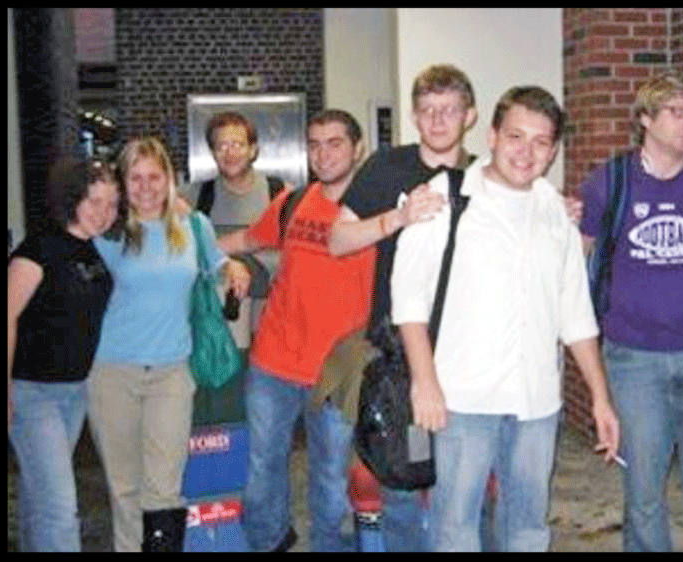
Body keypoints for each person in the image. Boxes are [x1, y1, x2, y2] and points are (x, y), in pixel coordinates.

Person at [390, 85, 620, 552]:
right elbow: (408, 299)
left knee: (529, 525)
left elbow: (575, 313)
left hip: (536, 400)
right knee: (456, 526)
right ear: (492, 136)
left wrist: (600, 398)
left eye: (541, 141)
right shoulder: (445, 198)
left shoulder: (556, 212)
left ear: (554, 150)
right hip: (463, 397)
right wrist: (425, 382)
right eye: (516, 136)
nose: (527, 152)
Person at [579, 72, 683, 552]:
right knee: (644, 495)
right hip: (631, 360)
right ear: (645, 118)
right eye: (676, 112)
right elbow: (584, 251)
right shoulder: (612, 179)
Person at [328, 63, 479, 552]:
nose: (438, 121)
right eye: (428, 111)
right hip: (399, 356)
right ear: (414, 116)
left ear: (469, 116)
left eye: (449, 111)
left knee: (463, 484)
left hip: (466, 351)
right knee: (403, 478)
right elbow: (337, 239)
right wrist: (398, 216)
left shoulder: (484, 177)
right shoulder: (387, 167)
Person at [218, 109, 375, 552]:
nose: (322, 154)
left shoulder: (378, 210)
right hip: (274, 360)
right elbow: (247, 240)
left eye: (335, 143)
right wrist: (194, 248)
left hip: (337, 370)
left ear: (358, 149)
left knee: (330, 476)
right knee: (261, 467)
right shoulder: (293, 202)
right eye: (314, 144)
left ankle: (328, 546)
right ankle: (269, 543)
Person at [86, 137, 250, 552]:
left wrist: (233, 265)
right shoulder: (108, 231)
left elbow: (216, 262)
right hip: (111, 373)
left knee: (164, 487)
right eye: (135, 178)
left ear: (169, 180)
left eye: (154, 177)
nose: (145, 187)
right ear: (123, 183)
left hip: (171, 374)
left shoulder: (193, 227)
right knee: (124, 489)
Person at [8, 157, 122, 551]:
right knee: (59, 506)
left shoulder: (94, 250)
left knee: (38, 495)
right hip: (31, 393)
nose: (103, 213)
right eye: (94, 202)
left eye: (111, 204)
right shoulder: (39, 248)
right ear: (72, 199)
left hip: (74, 392)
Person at [185, 111, 291, 347]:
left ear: (253, 150)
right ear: (213, 153)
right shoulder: (195, 197)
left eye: (238, 145)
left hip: (275, 319)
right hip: (219, 321)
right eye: (221, 146)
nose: (230, 153)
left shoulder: (280, 193)